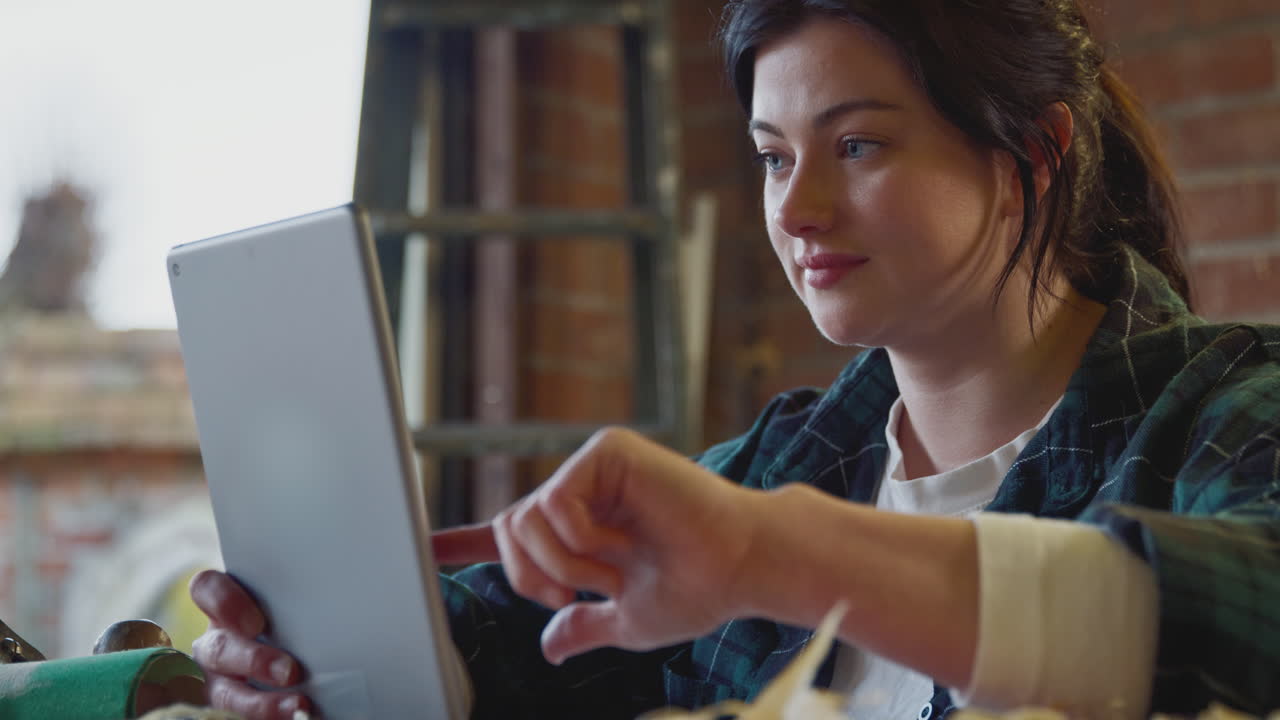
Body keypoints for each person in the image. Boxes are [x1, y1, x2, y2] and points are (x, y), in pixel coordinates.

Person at [188, 1, 1280, 718]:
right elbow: (497, 643)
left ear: (1032, 155)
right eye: (772, 157)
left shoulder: (1228, 408)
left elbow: (1247, 612)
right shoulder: (786, 460)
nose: (797, 209)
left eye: (856, 145)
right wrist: (299, 657)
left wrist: (781, 556)